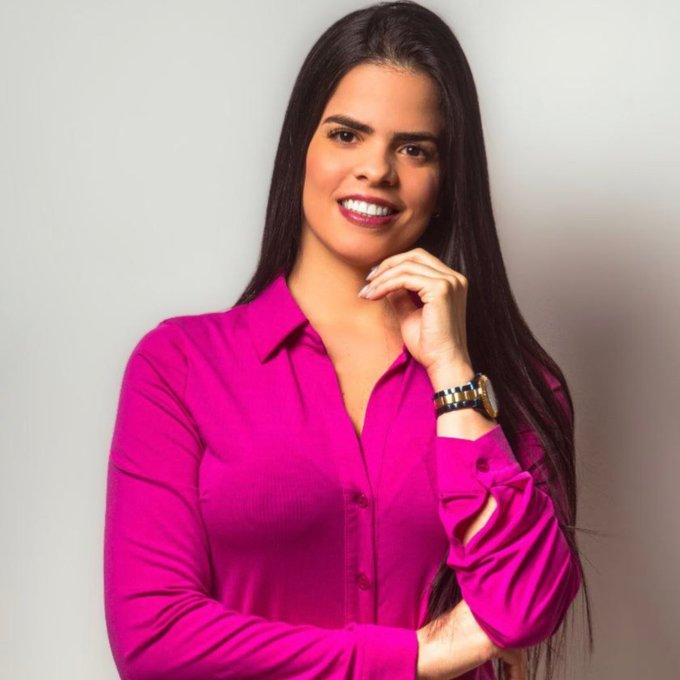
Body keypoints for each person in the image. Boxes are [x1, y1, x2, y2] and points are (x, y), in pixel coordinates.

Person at [103, 2, 592, 678]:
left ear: (448, 180)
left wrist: (454, 373)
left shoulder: (514, 386)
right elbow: (154, 640)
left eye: (414, 149)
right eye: (346, 135)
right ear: (301, 149)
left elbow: (524, 610)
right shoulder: (179, 367)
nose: (376, 170)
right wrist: (414, 655)